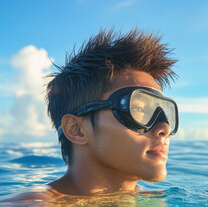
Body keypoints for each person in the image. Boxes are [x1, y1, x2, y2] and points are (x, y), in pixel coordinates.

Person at [46, 29, 179, 195]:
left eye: (166, 113)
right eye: (137, 108)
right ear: (77, 129)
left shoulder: (150, 202)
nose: (165, 129)